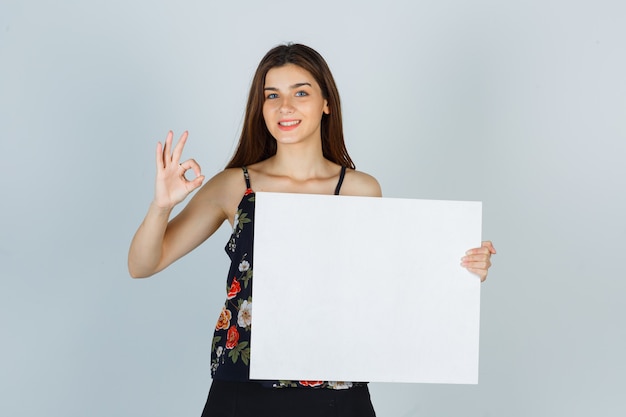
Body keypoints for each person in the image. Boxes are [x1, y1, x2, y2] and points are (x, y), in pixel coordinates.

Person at [128, 43, 496, 417]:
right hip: (243, 391)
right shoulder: (233, 185)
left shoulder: (360, 189)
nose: (284, 106)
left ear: (326, 103)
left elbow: (386, 289)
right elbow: (143, 264)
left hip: (335, 392)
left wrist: (462, 272)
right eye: (272, 95)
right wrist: (161, 206)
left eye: (300, 92)